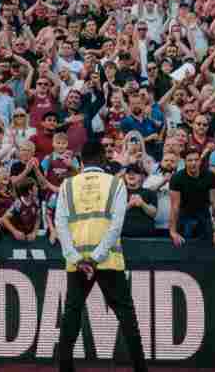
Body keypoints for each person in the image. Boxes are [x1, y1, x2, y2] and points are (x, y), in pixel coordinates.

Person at [54, 138, 149, 372]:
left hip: (77, 263)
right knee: (127, 317)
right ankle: (141, 369)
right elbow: (116, 225)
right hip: (108, 260)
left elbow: (60, 225)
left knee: (72, 314)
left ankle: (65, 369)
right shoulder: (115, 184)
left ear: (81, 161)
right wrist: (96, 257)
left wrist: (78, 258)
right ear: (103, 159)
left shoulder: (67, 185)